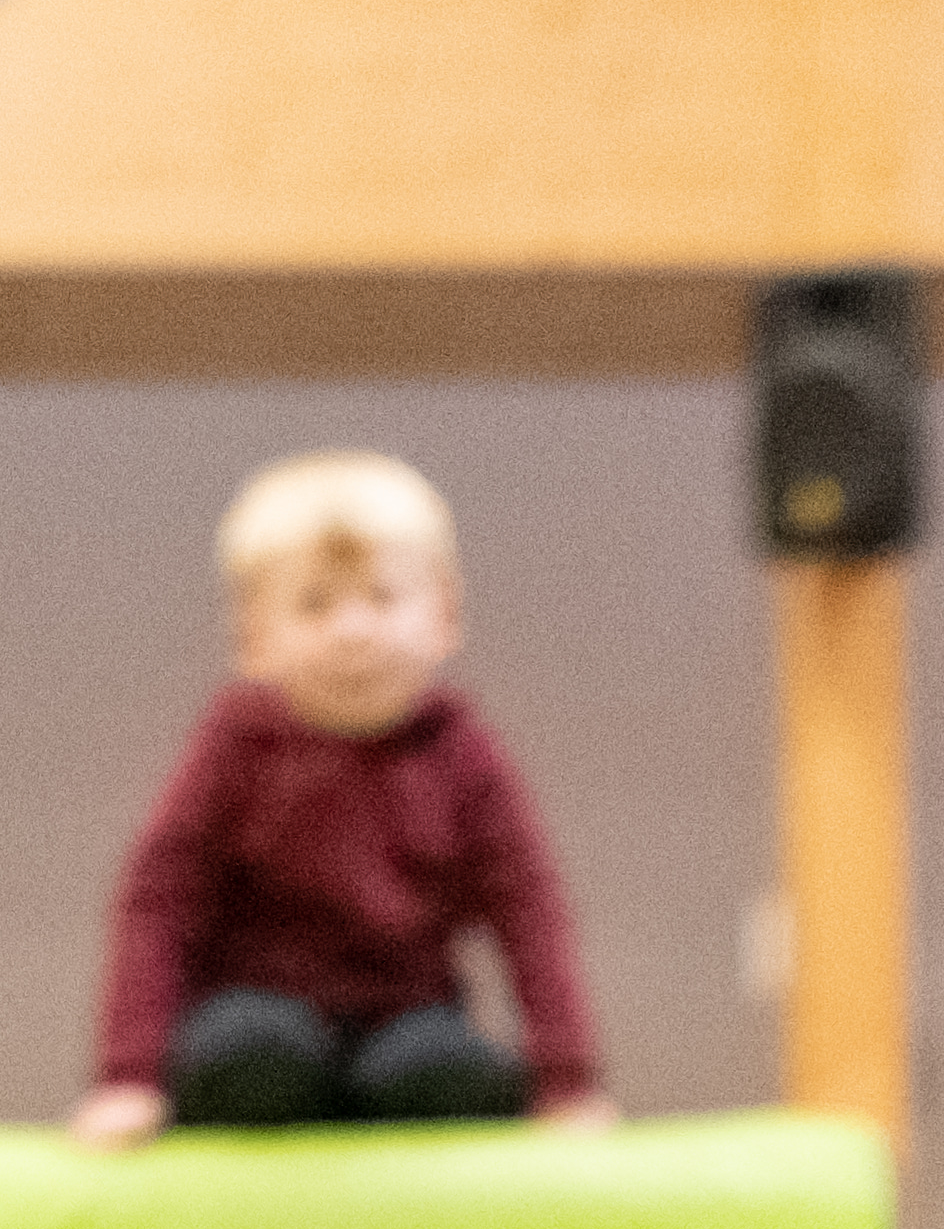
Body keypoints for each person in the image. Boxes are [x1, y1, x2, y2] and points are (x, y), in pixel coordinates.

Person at [70, 454, 619, 1148]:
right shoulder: (237, 746)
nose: (353, 631)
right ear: (254, 638)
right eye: (314, 604)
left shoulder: (459, 751)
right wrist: (128, 1077)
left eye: (383, 598)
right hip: (258, 1014)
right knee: (252, 1053)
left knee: (448, 1071)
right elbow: (159, 899)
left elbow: (528, 906)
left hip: (403, 1021)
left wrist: (567, 1082)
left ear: (444, 616)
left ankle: (381, 1097)